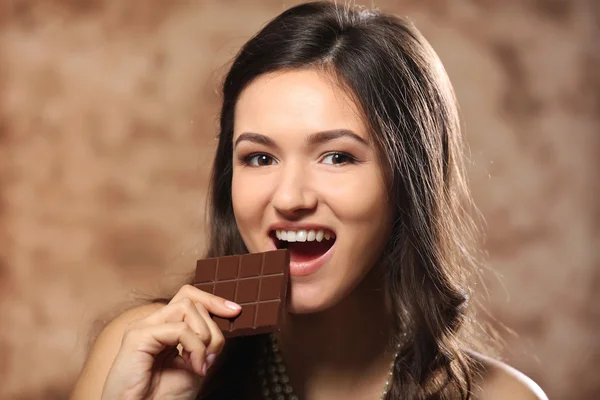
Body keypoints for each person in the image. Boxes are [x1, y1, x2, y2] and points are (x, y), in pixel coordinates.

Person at [70, 2, 548, 399]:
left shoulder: (504, 396)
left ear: (409, 179)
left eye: (337, 156)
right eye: (259, 158)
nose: (290, 198)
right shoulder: (142, 353)